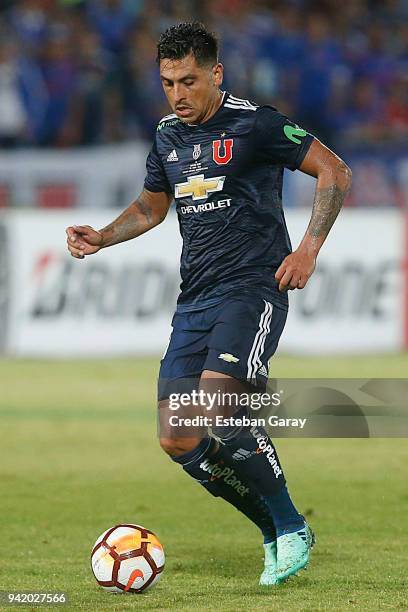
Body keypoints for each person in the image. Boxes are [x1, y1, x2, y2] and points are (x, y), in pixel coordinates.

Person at [66, 22, 352, 585]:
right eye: (168, 82)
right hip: (195, 299)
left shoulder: (256, 123)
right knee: (178, 436)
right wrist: (103, 235)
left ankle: (292, 526)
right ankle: (272, 528)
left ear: (215, 74)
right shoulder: (167, 136)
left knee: (221, 408)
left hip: (252, 288)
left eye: (189, 81)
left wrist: (309, 249)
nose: (178, 94)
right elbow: (152, 208)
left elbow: (335, 171)